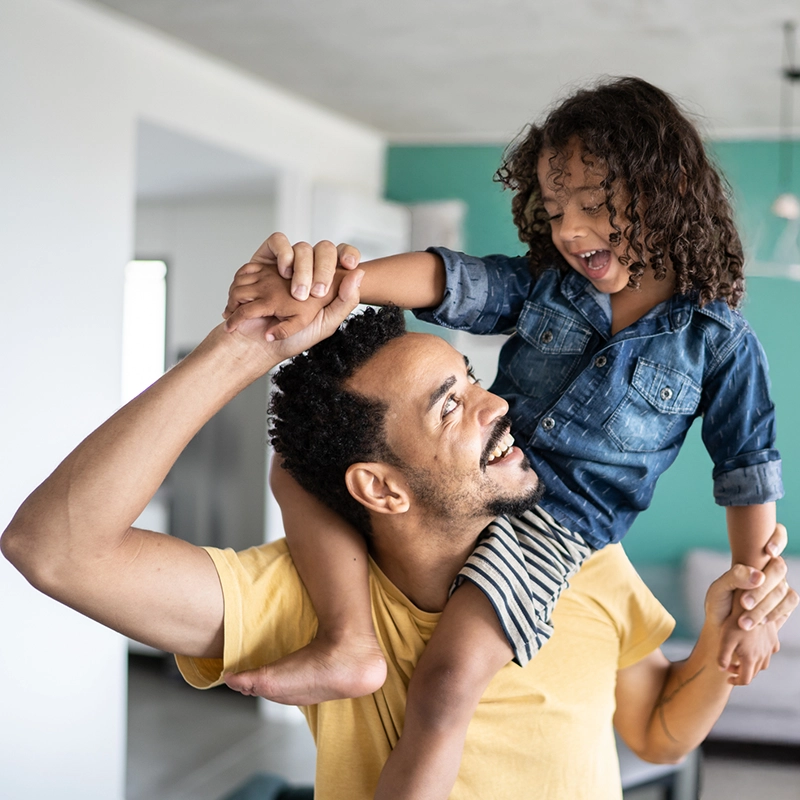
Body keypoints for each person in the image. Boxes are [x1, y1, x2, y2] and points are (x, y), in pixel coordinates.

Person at [222, 77, 785, 798]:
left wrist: (748, 594)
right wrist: (346, 285)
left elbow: (748, 470)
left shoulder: (719, 341)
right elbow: (450, 280)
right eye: (554, 211)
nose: (570, 231)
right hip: (479, 477)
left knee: (447, 682)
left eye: (592, 204)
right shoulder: (550, 285)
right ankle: (348, 639)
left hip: (552, 528)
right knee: (300, 465)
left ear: (663, 191)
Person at [1, 298, 795, 800]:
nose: (499, 404)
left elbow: (658, 734)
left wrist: (720, 648)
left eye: (472, 378)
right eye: (452, 407)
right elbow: (53, 549)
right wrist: (244, 347)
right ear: (381, 489)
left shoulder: (581, 558)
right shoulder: (296, 599)